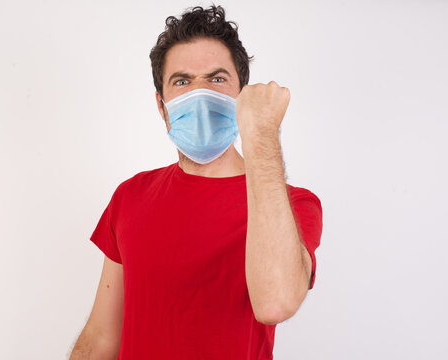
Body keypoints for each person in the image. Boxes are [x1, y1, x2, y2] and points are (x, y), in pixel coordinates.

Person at [70, 5, 323, 360]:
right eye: (182, 81)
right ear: (162, 106)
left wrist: (262, 131)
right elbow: (101, 337)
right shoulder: (131, 197)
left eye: (217, 79)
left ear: (242, 97)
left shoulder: (292, 205)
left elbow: (276, 303)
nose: (200, 93)